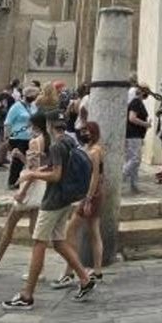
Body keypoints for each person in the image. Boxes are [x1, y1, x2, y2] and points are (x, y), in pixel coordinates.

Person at [1, 113, 97, 310]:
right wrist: (40, 168)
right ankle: (85, 279)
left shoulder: (56, 145)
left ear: (49, 125)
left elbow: (56, 175)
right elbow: (56, 166)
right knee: (59, 242)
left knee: (39, 243)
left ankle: (27, 295)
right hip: (66, 199)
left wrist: (32, 174)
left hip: (53, 200)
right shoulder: (69, 140)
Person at [0, 112, 47, 277]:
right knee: (34, 230)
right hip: (41, 185)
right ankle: (38, 269)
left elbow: (32, 169)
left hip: (31, 186)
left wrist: (22, 192)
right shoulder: (48, 140)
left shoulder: (34, 142)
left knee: (10, 225)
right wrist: (21, 156)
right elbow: (39, 165)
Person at [55, 120, 106, 285]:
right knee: (94, 232)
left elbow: (95, 176)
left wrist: (88, 199)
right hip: (94, 194)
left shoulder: (95, 151)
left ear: (94, 132)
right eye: (83, 131)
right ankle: (97, 271)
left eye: (87, 131)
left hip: (91, 195)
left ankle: (69, 272)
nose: (84, 133)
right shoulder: (90, 149)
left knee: (70, 231)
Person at [5, 86, 37, 189]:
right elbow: (8, 123)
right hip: (18, 137)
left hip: (30, 137)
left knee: (29, 160)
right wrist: (7, 137)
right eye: (33, 95)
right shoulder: (16, 107)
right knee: (17, 161)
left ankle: (25, 181)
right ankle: (13, 181)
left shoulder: (33, 106)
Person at [124, 85, 150, 194]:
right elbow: (132, 118)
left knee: (133, 160)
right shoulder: (136, 102)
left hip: (135, 135)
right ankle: (121, 176)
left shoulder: (137, 102)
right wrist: (145, 124)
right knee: (135, 159)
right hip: (133, 135)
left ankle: (134, 186)